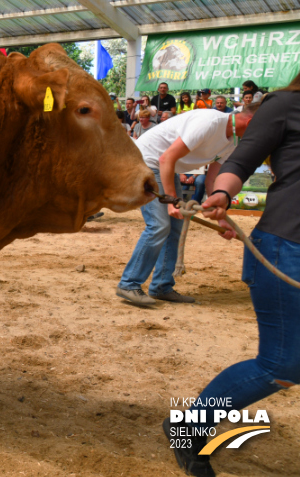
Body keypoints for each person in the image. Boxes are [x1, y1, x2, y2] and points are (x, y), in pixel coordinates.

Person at [163, 73, 300, 477]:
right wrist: (220, 193)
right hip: (286, 247)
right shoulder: (284, 106)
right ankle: (187, 427)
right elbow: (239, 162)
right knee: (282, 364)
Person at [116, 104, 260, 305]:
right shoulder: (210, 122)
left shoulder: (233, 141)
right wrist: (171, 201)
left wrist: (222, 218)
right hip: (146, 161)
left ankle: (161, 286)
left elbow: (212, 180)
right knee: (159, 225)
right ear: (252, 123)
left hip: (166, 166)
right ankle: (129, 284)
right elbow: (167, 158)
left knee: (175, 226)